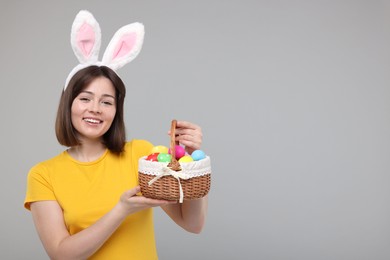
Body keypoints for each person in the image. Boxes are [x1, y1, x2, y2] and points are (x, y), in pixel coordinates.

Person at [24, 10, 208, 260]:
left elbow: (192, 224)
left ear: (116, 111)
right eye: (85, 98)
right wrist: (120, 210)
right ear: (68, 104)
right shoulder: (43, 175)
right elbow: (61, 254)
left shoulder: (140, 155)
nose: (95, 109)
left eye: (106, 102)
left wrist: (192, 164)